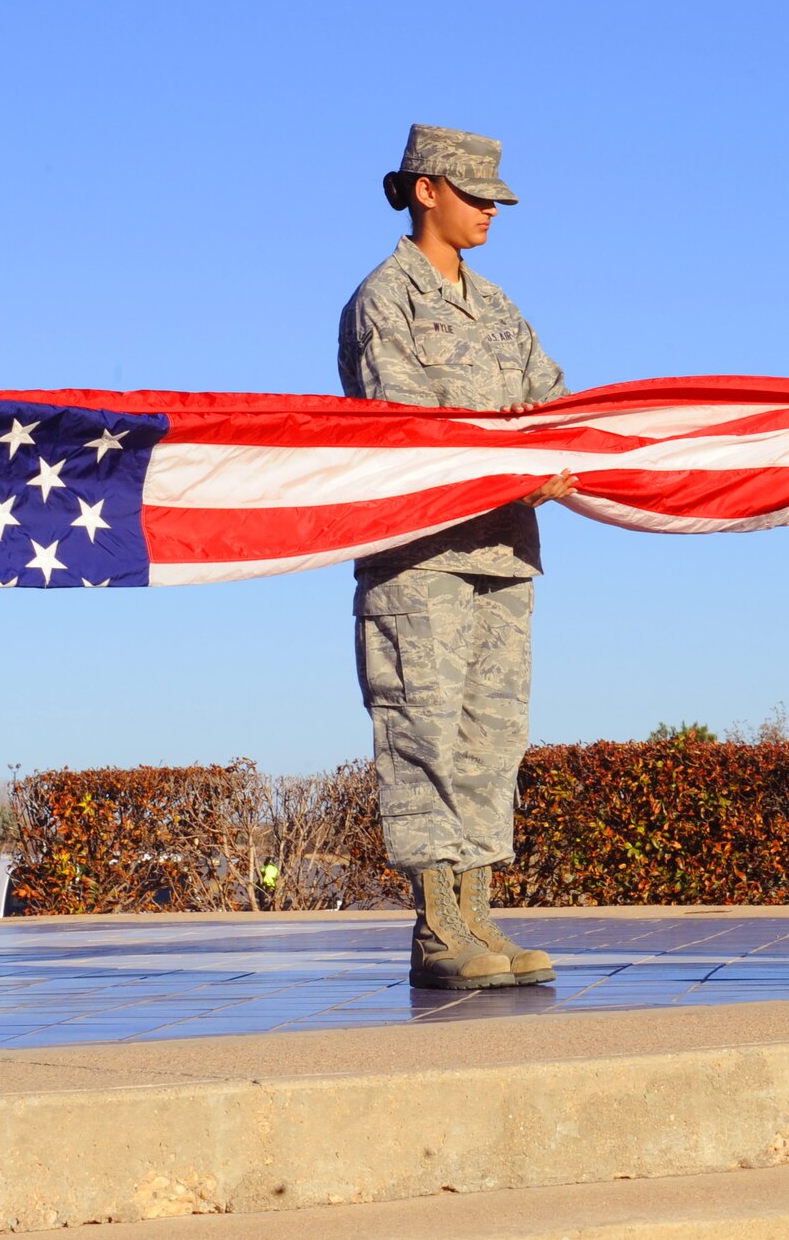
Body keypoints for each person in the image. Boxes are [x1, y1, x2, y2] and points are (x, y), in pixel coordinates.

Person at [337, 124, 575, 989]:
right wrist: (513, 458)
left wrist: (554, 455)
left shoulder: (501, 306)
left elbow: (551, 402)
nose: (489, 212)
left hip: (504, 553)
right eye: (476, 196)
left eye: (496, 200)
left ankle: (475, 911)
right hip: (421, 559)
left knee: (489, 742)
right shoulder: (383, 300)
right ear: (426, 189)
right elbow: (407, 424)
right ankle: (437, 926)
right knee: (423, 737)